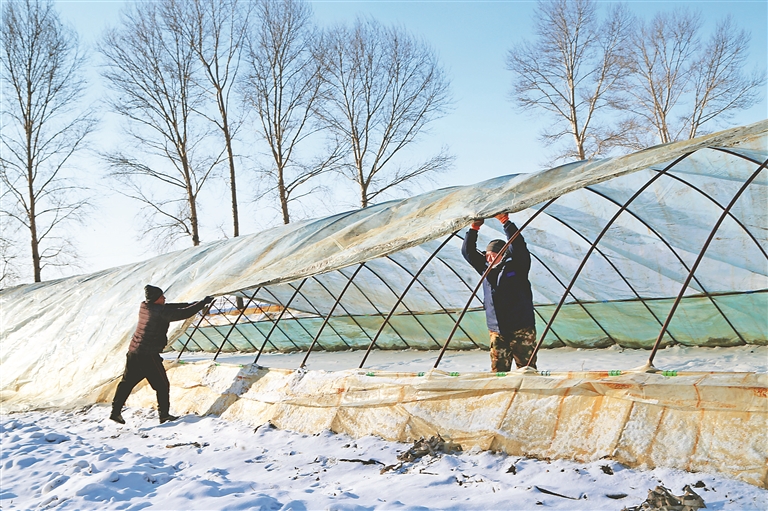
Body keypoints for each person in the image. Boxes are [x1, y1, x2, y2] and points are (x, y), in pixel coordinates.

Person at [110, 285, 214, 425]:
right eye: (161, 297)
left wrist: (194, 303)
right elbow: (182, 313)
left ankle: (115, 412)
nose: (164, 298)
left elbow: (171, 307)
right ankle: (164, 415)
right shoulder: (159, 313)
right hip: (148, 354)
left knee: (127, 382)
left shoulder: (145, 306)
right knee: (162, 385)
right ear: (155, 299)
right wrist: (201, 304)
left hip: (134, 351)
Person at [461, 213, 537, 371]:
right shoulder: (485, 268)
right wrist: (474, 228)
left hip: (520, 328)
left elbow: (519, 246)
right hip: (496, 329)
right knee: (498, 369)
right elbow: (467, 251)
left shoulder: (517, 266)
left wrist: (505, 222)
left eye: (494, 255)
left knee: (526, 368)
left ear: (503, 254)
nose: (490, 259)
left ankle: (527, 393)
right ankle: (503, 393)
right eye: (487, 255)